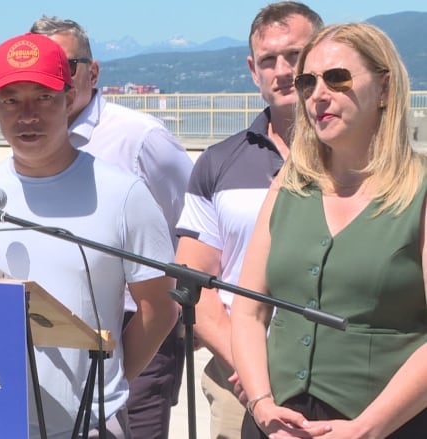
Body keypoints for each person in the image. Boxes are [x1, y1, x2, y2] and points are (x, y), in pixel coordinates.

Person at [0, 32, 179, 439]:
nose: (26, 115)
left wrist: (105, 384)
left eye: (43, 97)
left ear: (69, 99)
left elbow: (160, 308)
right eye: (11, 100)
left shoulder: (124, 194)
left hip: (90, 425)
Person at [232, 22, 427, 438]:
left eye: (337, 78)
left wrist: (368, 427)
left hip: (390, 427)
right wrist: (263, 406)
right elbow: (248, 311)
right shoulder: (289, 184)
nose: (318, 94)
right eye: (308, 82)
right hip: (275, 425)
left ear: (386, 88)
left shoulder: (420, 191)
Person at [30, 16, 193, 438]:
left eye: (67, 66)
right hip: (53, 338)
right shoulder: (26, 145)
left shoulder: (140, 139)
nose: (57, 80)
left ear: (93, 70)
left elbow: (185, 224)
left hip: (135, 328)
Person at [173, 3, 323, 438]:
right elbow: (193, 282)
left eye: (295, 56)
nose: (282, 71)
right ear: (252, 70)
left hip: (342, 383)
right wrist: (252, 371)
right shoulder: (217, 164)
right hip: (236, 384)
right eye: (268, 60)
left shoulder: (364, 164)